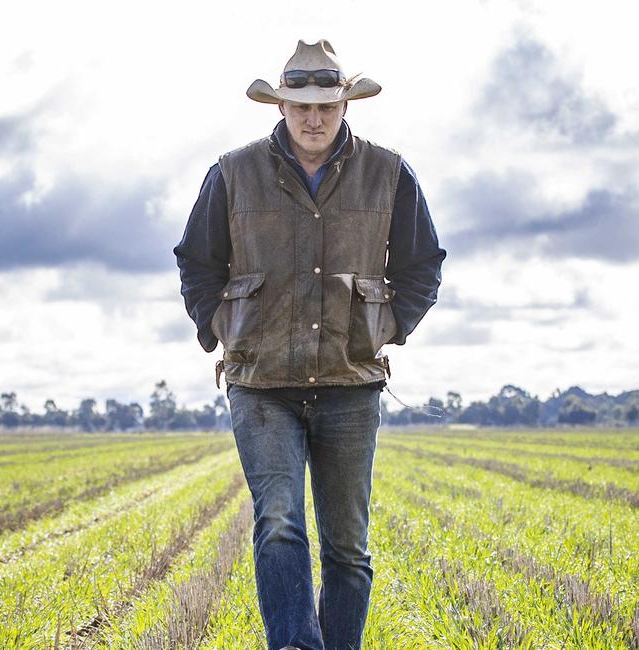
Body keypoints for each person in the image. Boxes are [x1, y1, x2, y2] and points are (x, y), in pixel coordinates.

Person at [174, 39, 445, 650]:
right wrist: (219, 326)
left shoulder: (390, 173)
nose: (314, 118)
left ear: (347, 105)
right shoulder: (232, 172)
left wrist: (389, 326)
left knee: (347, 547)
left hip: (350, 384)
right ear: (281, 108)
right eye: (301, 106)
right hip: (259, 382)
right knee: (277, 526)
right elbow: (197, 261)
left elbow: (422, 264)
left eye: (327, 105)